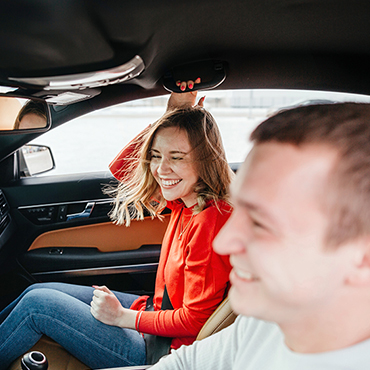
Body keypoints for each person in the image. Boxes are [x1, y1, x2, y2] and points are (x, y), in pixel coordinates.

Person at [0, 88, 233, 369]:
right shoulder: (185, 202)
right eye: (156, 155)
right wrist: (170, 114)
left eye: (177, 157)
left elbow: (195, 320)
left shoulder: (209, 222)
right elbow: (123, 170)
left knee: (38, 305)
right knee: (38, 290)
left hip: (161, 350)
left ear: (205, 160)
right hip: (154, 314)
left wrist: (122, 317)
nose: (161, 169)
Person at [150, 102, 370, 370]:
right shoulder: (265, 321)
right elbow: (183, 364)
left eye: (260, 222)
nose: (224, 242)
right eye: (240, 207)